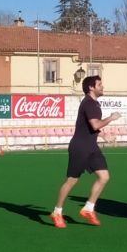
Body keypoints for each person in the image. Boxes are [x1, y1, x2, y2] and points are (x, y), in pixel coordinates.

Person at [50, 75, 121, 228]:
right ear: (91, 87)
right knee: (72, 180)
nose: (103, 86)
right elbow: (95, 125)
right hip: (80, 147)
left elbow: (90, 128)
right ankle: (57, 211)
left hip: (91, 147)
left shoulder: (94, 104)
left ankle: (88, 208)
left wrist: (103, 135)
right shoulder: (89, 103)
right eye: (99, 84)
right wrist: (111, 118)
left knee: (104, 176)